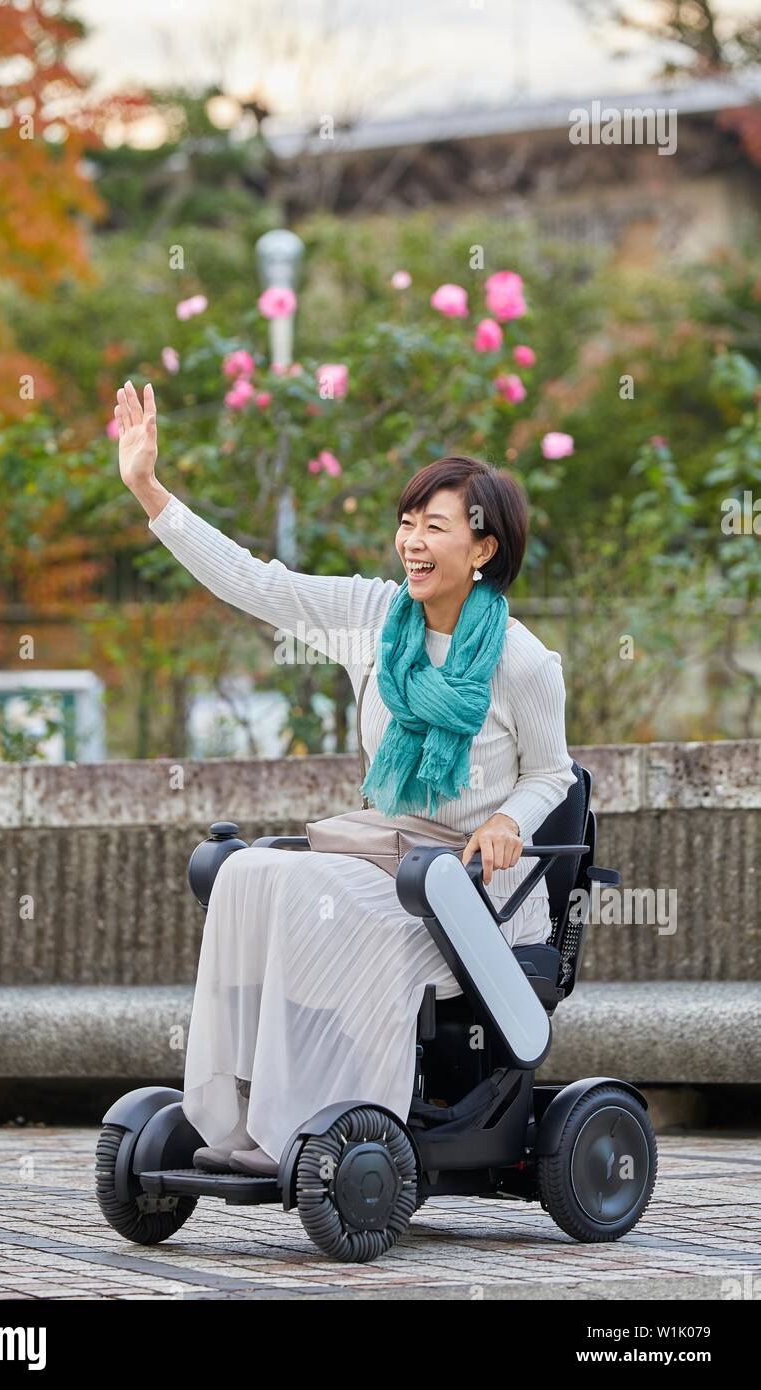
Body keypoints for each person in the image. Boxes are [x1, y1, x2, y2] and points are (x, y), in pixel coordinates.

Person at [113, 379, 577, 1178]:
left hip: (471, 886)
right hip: (379, 852)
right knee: (252, 872)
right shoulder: (372, 619)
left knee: (317, 897)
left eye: (435, 526)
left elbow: (554, 774)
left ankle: (324, 1129)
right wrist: (150, 491)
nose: (413, 542)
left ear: (484, 547)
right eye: (407, 524)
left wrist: (507, 823)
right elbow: (256, 582)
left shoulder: (524, 662)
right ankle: (236, 1115)